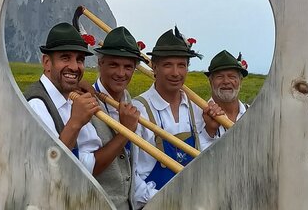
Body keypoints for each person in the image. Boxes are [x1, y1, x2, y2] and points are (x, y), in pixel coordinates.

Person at [132, 26, 222, 208]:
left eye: (181, 65)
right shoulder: (138, 109)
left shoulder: (196, 107)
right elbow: (131, 178)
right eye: (168, 65)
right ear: (154, 67)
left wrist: (210, 132)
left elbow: (200, 157)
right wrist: (168, 201)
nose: (175, 73)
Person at [24, 22, 112, 177]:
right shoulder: (36, 104)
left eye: (80, 59)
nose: (74, 67)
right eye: (65, 58)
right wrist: (76, 122)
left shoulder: (70, 99)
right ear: (46, 62)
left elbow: (88, 163)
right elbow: (48, 170)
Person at [89, 26, 147, 210]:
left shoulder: (129, 100)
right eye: (114, 64)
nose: (121, 73)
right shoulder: (85, 103)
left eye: (128, 67)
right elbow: (90, 168)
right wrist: (126, 132)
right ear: (100, 63)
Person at [199, 50, 249, 147]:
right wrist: (209, 132)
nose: (226, 81)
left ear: (240, 81)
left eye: (232, 76)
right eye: (220, 77)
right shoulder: (196, 115)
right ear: (211, 81)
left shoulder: (252, 113)